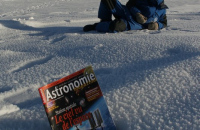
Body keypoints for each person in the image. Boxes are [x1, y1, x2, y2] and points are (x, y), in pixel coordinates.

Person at [83, 0, 168, 33]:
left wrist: (156, 25)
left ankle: (97, 26)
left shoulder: (162, 8)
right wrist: (137, 13)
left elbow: (164, 23)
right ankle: (104, 20)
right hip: (127, 12)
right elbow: (130, 4)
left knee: (116, 26)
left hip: (134, 24)